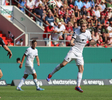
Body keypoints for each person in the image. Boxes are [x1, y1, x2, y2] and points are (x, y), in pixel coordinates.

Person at [46, 19, 96, 93]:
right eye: (82, 26)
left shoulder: (88, 33)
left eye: (84, 26)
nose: (83, 28)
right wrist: (72, 42)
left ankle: (77, 86)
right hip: (73, 51)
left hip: (79, 54)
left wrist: (94, 42)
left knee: (81, 69)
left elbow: (91, 42)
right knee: (63, 64)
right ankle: (50, 74)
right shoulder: (77, 31)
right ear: (80, 26)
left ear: (86, 26)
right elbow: (72, 40)